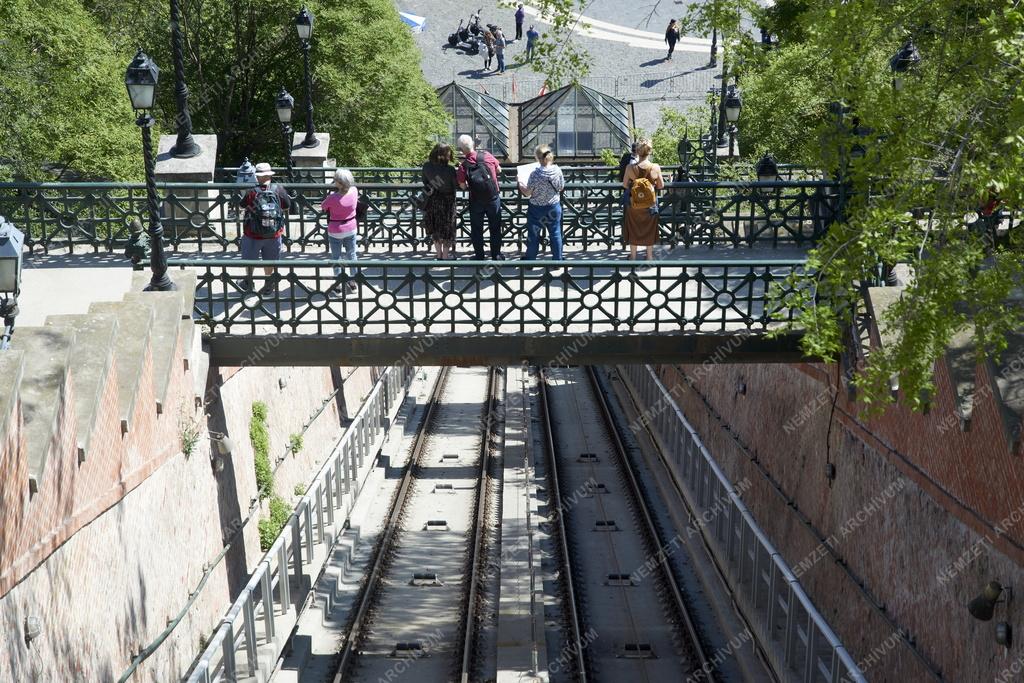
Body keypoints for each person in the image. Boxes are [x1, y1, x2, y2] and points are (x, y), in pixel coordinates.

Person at [240, 162, 291, 295]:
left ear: (257, 176)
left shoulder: (251, 191)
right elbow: (286, 206)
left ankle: (249, 282)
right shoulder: (278, 189)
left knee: (249, 259)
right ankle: (268, 283)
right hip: (273, 233)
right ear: (269, 175)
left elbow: (242, 205)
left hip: (252, 233)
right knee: (270, 259)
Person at [456, 134, 504, 260]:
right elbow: (499, 170)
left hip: (476, 200)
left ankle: (479, 256)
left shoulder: (463, 165)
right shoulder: (487, 155)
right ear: (473, 144)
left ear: (461, 150)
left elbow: (462, 186)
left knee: (477, 229)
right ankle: (496, 255)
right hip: (493, 198)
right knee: (495, 227)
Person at [519, 144, 565, 262]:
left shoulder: (535, 174)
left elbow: (527, 193)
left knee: (533, 235)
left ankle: (530, 260)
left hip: (536, 209)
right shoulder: (557, 170)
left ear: (538, 158)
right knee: (555, 233)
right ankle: (557, 260)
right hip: (553, 207)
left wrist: (520, 184)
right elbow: (561, 188)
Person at [622, 139, 665, 261]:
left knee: (634, 228)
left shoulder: (630, 167)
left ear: (637, 151)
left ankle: (633, 256)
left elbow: (625, 185)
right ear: (649, 152)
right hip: (650, 204)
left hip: (634, 204)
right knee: (649, 229)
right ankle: (649, 256)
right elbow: (661, 185)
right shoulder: (655, 167)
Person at [321, 168, 359, 295]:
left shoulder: (333, 197)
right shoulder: (354, 191)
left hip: (336, 230)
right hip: (351, 227)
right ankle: (353, 282)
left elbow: (323, 207)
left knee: (336, 257)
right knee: (352, 255)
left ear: (339, 183)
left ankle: (338, 285)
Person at [421, 143, 459, 260]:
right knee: (448, 228)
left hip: (433, 200)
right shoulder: (450, 170)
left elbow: (425, 182)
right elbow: (455, 185)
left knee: (435, 228)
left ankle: (439, 255)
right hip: (448, 202)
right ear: (445, 155)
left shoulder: (426, 166)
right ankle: (446, 256)